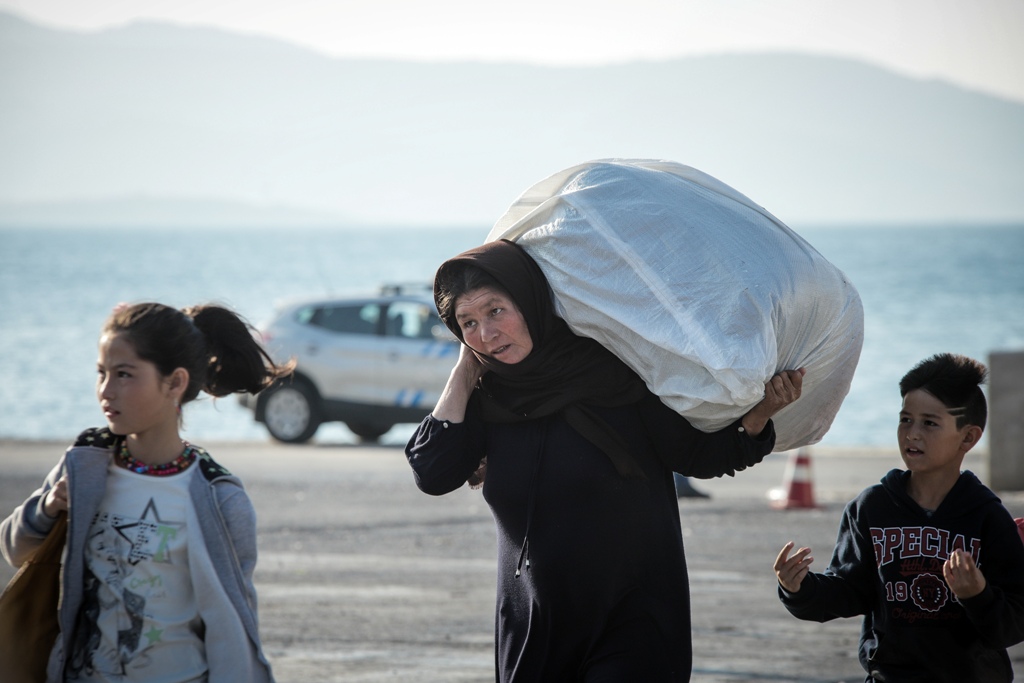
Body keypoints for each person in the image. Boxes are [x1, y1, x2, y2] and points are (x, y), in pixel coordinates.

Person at [406, 239, 804, 682]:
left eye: (496, 311)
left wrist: (760, 415)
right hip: (533, 627)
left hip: (632, 621)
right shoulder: (488, 401)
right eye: (468, 323)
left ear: (531, 300)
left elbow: (698, 456)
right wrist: (465, 369)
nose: (486, 333)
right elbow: (432, 472)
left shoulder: (615, 374)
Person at [1, 302, 292, 682]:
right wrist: (49, 507)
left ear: (175, 383)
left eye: (124, 375)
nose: (106, 391)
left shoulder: (218, 498)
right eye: (101, 373)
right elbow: (14, 550)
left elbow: (235, 626)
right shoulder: (84, 466)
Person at [774, 353, 1024, 682]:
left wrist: (978, 595)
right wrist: (799, 588)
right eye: (905, 419)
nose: (912, 433)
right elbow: (850, 591)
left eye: (929, 423)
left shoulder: (987, 516)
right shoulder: (872, 507)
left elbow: (1012, 624)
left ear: (968, 437)